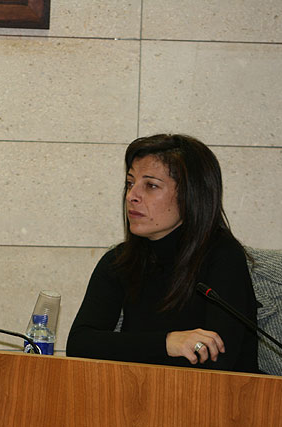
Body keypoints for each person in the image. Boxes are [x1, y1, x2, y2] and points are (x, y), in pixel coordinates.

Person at [66, 134, 259, 373]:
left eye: (151, 186)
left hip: (218, 394)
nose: (131, 196)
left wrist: (132, 350)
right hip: (140, 390)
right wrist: (167, 343)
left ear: (191, 195)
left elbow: (217, 360)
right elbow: (80, 344)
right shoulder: (120, 261)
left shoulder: (223, 256)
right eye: (130, 183)